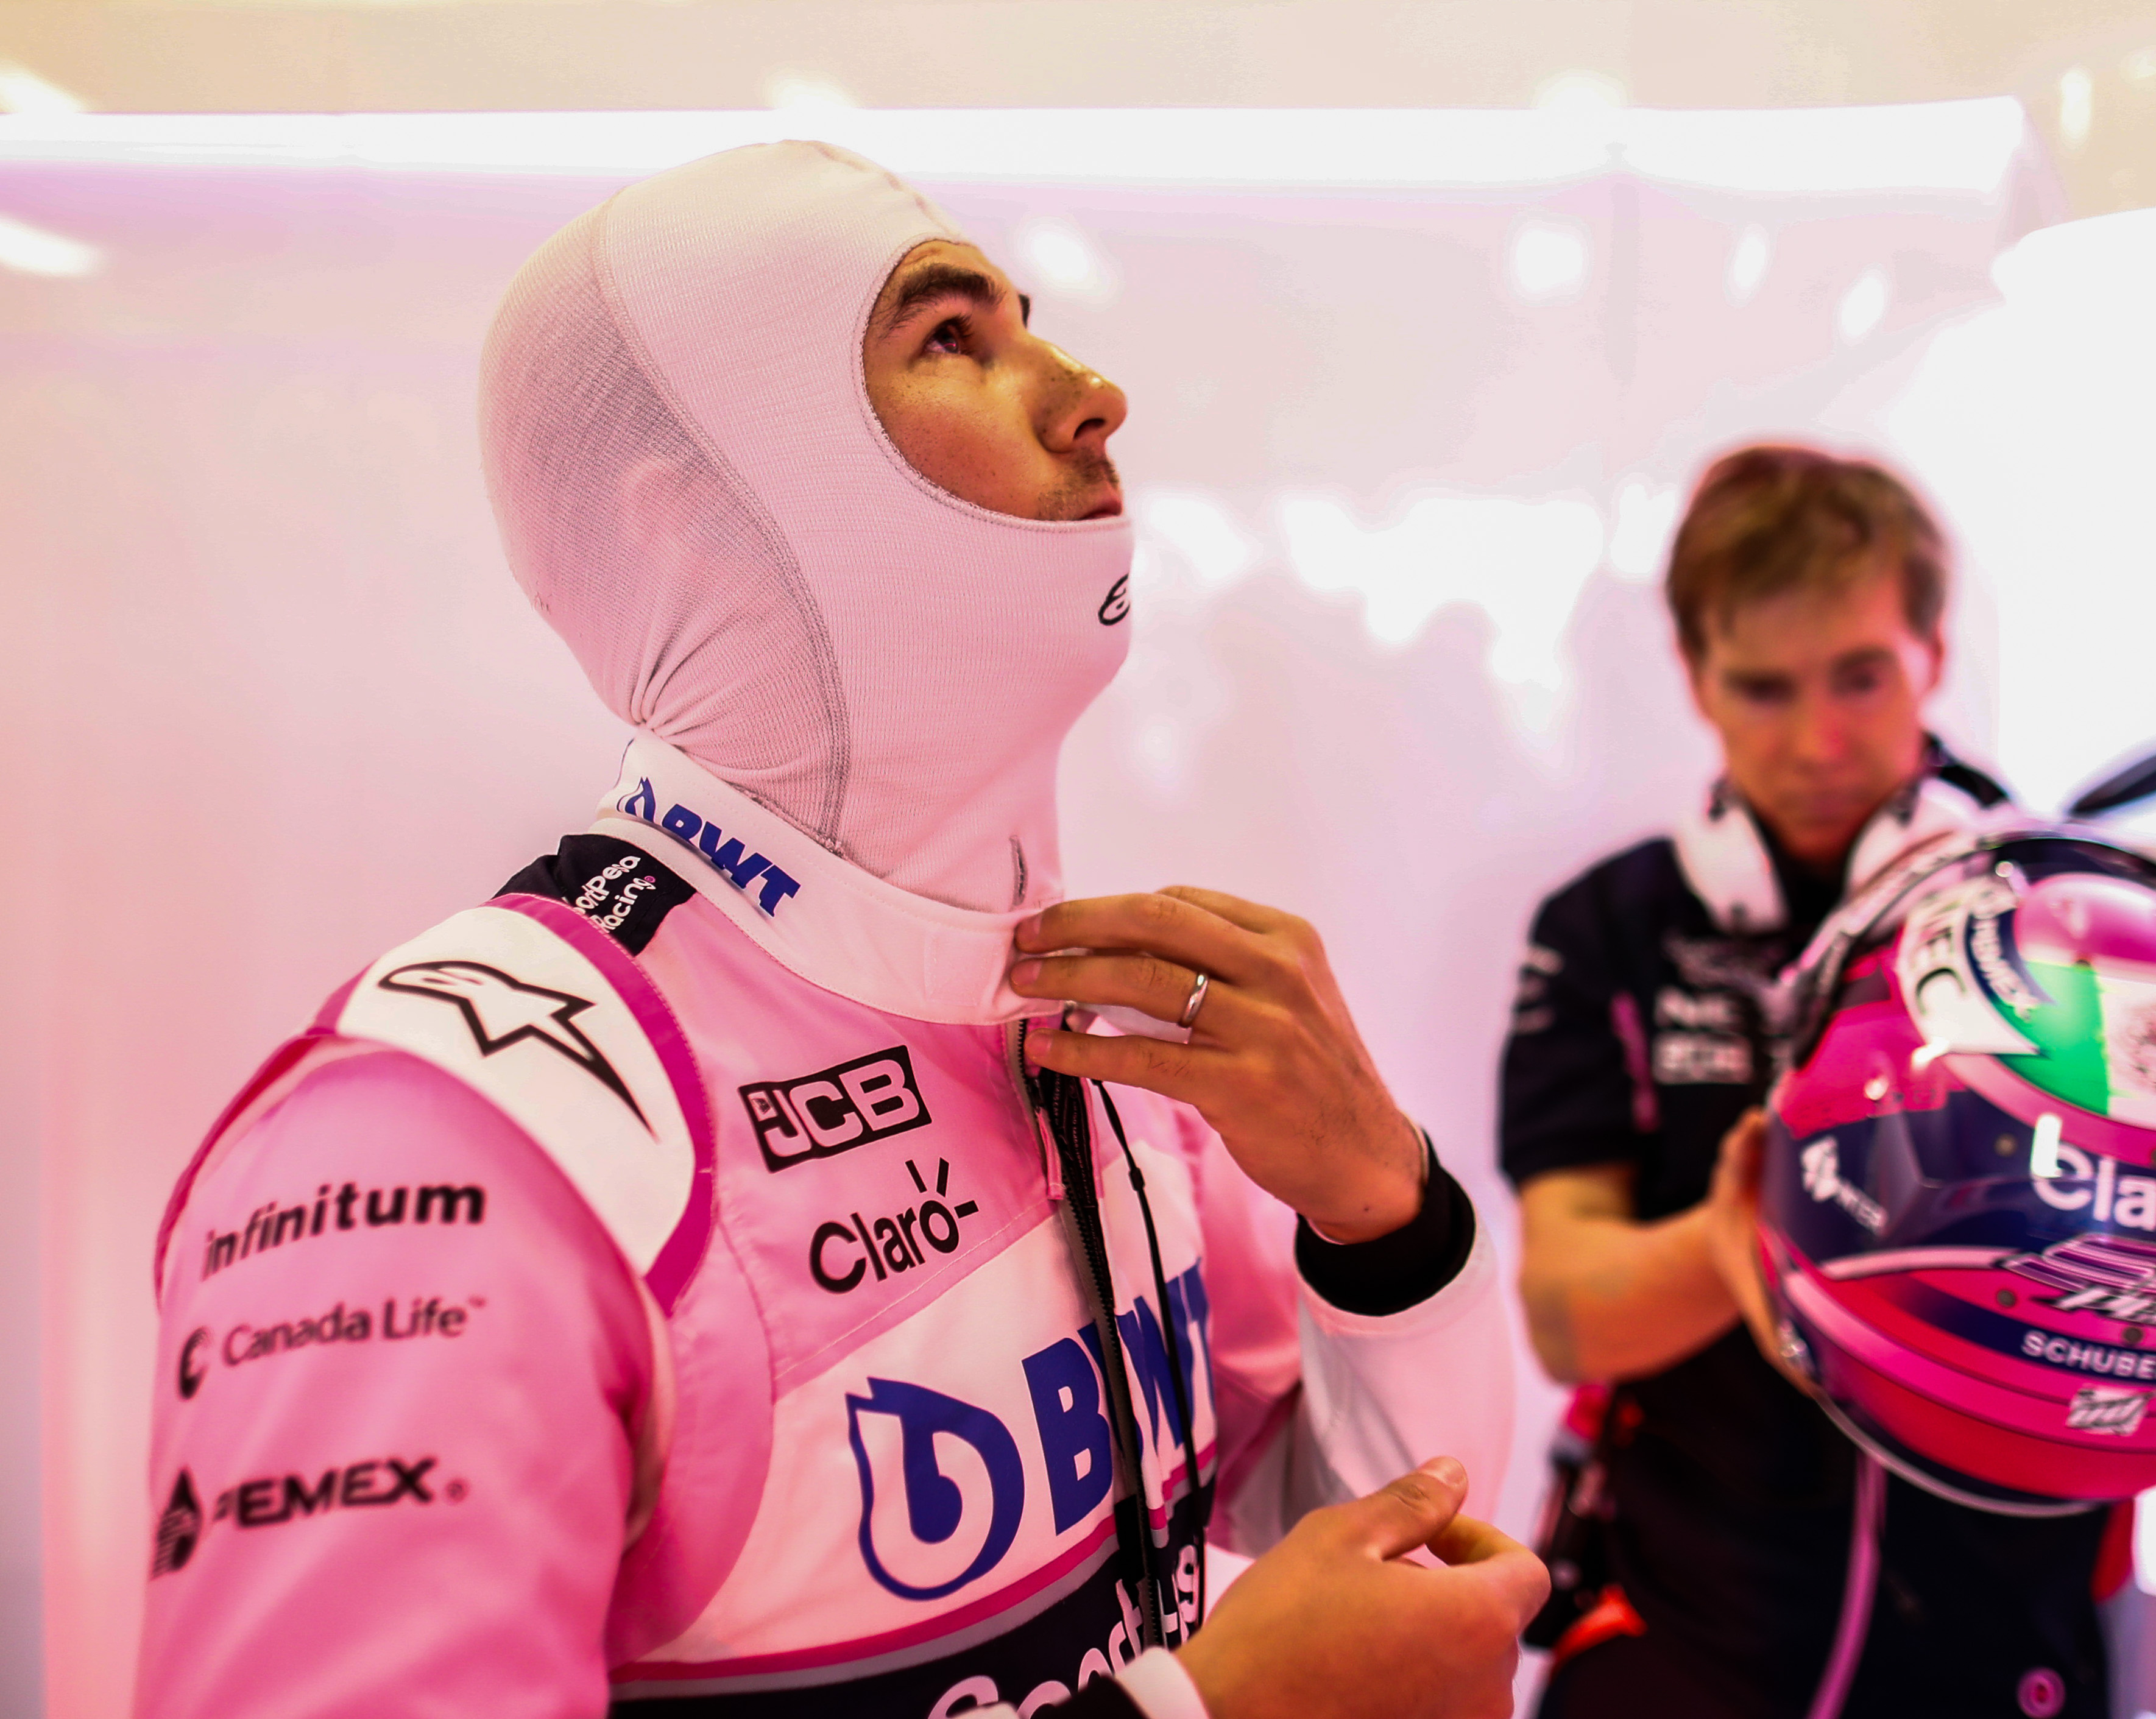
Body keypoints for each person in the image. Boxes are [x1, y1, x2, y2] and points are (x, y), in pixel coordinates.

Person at [140, 141, 1543, 1719]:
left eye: (1028, 326)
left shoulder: (1084, 1028)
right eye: (949, 338)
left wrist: (1384, 1214)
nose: (1092, 394)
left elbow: (1369, 1549)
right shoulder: (445, 1140)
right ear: (690, 521)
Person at [1504, 446, 2129, 1719]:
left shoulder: (2078, 918)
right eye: (1763, 687)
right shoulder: (1606, 927)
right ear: (1695, 677)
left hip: (2002, 1642)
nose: (1818, 741)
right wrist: (1748, 1236)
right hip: (1679, 1641)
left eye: (1860, 676)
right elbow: (1568, 1313)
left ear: (1933, 655)